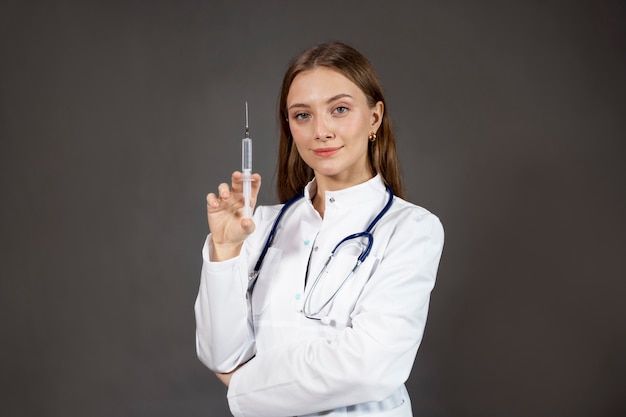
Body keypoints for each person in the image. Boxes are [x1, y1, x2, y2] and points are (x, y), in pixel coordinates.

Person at [195, 41, 444, 416]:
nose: (320, 131)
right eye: (302, 115)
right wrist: (225, 250)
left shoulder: (412, 229)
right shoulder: (256, 226)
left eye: (339, 109)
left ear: (374, 117)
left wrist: (244, 384)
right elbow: (220, 353)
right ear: (289, 126)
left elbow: (370, 368)